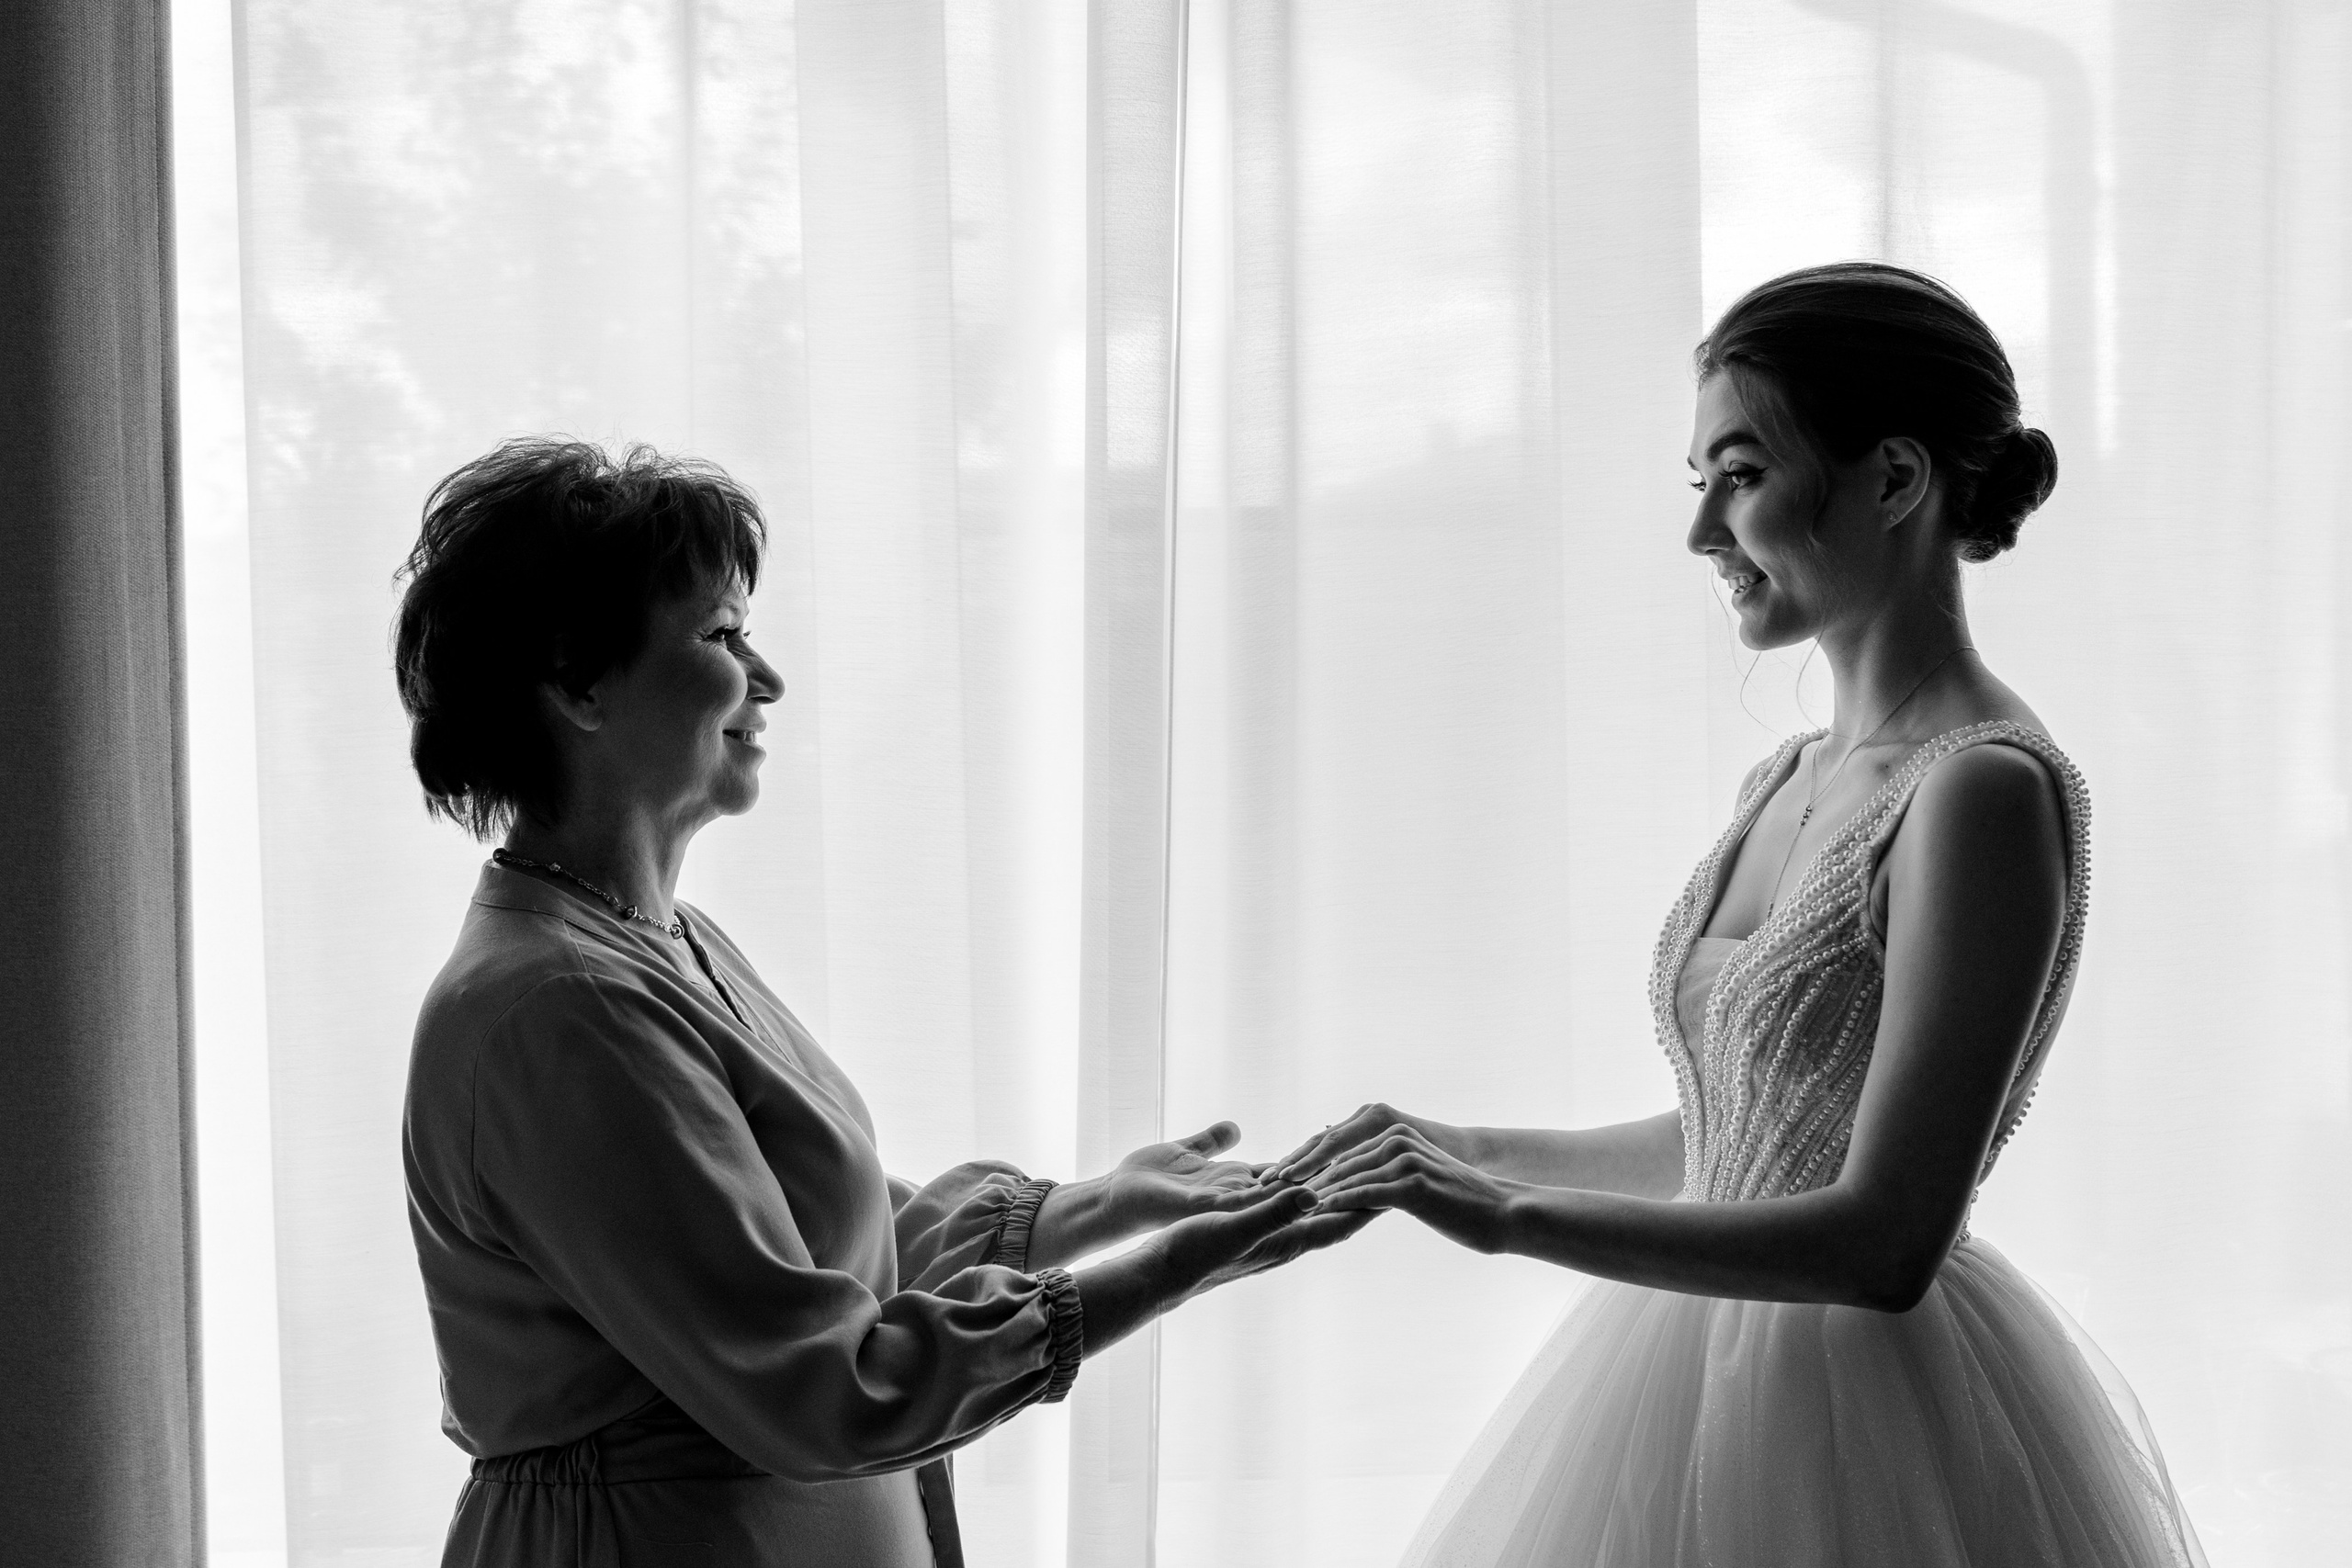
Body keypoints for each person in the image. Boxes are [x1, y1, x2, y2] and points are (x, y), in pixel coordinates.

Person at [1272, 263, 2205, 1566]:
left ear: (1893, 478)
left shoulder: (1981, 792)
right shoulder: (1788, 775)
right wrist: (1460, 1145)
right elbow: (1747, 1131)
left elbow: (1885, 1236)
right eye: (1698, 481)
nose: (1703, 532)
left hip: (1867, 1425)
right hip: (1681, 1370)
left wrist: (1508, 1219)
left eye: (1743, 473)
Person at [394, 440, 1362, 1567]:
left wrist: (1093, 1209)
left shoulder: (659, 945)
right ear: (576, 682)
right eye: (719, 635)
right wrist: (1163, 1268)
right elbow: (823, 1384)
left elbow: (821, 1265)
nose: (766, 676)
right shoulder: (560, 1007)